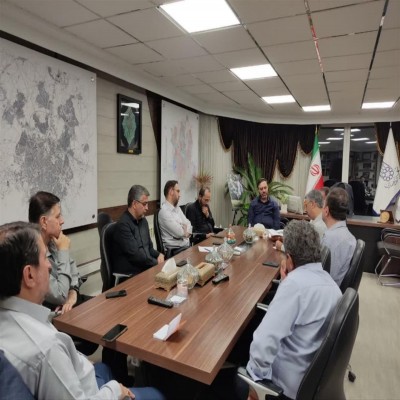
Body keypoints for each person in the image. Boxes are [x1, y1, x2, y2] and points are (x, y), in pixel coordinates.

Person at [0, 221, 165, 400]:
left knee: (105, 368)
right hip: (91, 392)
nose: (49, 266)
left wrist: (76, 360)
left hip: (81, 373)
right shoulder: (47, 349)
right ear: (29, 275)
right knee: (157, 394)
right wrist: (115, 390)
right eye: (44, 258)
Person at [244, 220, 341, 400]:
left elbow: (262, 346)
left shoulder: (295, 286)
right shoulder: (333, 287)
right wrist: (285, 283)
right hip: (311, 381)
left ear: (289, 258)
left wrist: (256, 387)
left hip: (283, 388)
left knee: (227, 379)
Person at [28, 191, 83, 314]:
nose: (62, 221)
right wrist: (63, 250)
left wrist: (73, 292)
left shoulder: (53, 241)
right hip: (50, 314)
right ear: (44, 222)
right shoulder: (32, 253)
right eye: (58, 216)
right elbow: (60, 295)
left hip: (67, 305)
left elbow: (75, 274)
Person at [113, 185, 164, 276]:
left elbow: (149, 248)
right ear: (134, 204)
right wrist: (156, 264)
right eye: (144, 204)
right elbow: (137, 257)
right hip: (131, 275)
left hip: (145, 268)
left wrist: (158, 255)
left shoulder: (143, 221)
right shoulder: (123, 225)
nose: (147, 208)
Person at [321, 187, 357, 286]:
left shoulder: (329, 240)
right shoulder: (350, 237)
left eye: (323, 205)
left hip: (327, 290)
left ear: (326, 211)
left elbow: (324, 278)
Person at [158, 180, 192, 256]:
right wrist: (184, 231)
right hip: (175, 252)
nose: (180, 195)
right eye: (178, 191)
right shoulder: (164, 212)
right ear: (171, 191)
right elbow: (180, 233)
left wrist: (185, 231)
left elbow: (189, 224)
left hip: (186, 249)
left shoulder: (177, 208)